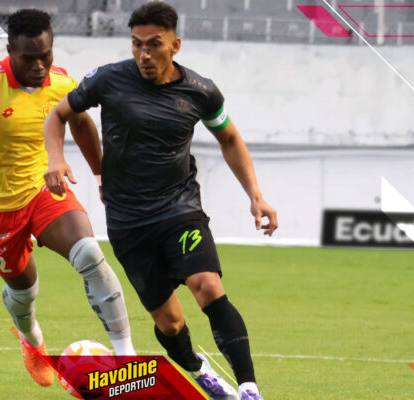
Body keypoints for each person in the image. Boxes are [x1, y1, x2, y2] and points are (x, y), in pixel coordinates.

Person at [43, 2, 278, 400]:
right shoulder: (108, 79)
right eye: (137, 44)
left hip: (179, 209)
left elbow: (230, 139)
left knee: (207, 286)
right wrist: (56, 159)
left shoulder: (201, 91)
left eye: (154, 44)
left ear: (175, 45)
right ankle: (198, 369)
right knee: (170, 323)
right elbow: (58, 115)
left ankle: (249, 388)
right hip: (128, 221)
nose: (144, 54)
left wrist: (256, 196)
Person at [0, 8, 135, 389]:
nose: (39, 65)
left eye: (46, 56)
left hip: (42, 189)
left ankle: (127, 359)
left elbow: (81, 122)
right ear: (10, 51)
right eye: (29, 58)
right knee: (23, 290)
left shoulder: (61, 82)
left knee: (89, 254)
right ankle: (32, 341)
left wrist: (102, 175)